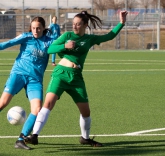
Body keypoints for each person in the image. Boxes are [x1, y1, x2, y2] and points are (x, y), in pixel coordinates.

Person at [25, 10, 128, 147]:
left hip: (76, 78)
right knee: (48, 104)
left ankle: (85, 138)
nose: (74, 27)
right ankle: (34, 135)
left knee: (86, 111)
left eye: (78, 24)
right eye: (73, 24)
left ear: (85, 25)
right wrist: (64, 45)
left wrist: (122, 22)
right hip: (61, 74)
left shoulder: (89, 39)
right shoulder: (67, 35)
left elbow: (109, 36)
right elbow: (50, 49)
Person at [0, 16, 54, 150]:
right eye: (33, 28)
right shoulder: (26, 37)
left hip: (35, 79)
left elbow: (62, 46)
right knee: (3, 103)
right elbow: (5, 44)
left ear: (44, 28)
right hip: (18, 74)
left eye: (38, 28)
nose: (36, 30)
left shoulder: (50, 41)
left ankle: (20, 140)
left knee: (37, 109)